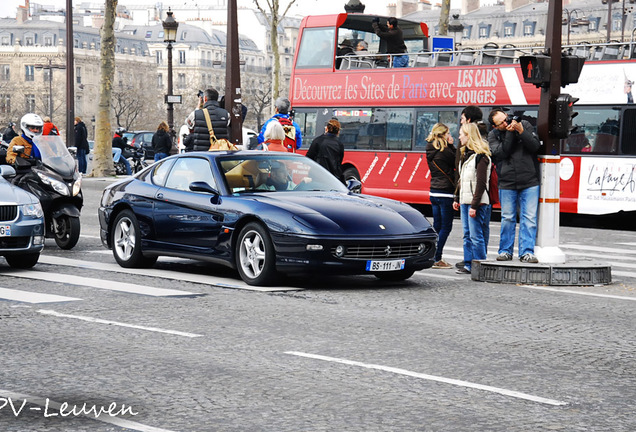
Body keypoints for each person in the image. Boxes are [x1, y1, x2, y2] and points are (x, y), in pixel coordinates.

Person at [488, 108, 541, 264]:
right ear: (495, 126)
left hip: (529, 179)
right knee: (508, 218)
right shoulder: (493, 135)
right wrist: (511, 133)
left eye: (506, 118)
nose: (507, 122)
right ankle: (505, 251)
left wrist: (521, 131)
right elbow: (502, 153)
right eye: (502, 122)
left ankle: (527, 252)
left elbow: (535, 146)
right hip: (507, 181)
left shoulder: (523, 124)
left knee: (529, 218)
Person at [453, 122, 493, 275]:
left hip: (476, 202)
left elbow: (481, 183)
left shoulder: (481, 157)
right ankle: (469, 264)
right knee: (467, 235)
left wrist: (474, 206)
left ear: (469, 136)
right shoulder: (465, 155)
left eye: (461, 134)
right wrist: (457, 197)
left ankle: (481, 265)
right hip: (465, 201)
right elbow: (461, 180)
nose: (459, 137)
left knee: (476, 236)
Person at [425, 123, 456, 269]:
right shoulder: (445, 151)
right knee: (446, 227)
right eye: (448, 134)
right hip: (445, 192)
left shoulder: (430, 149)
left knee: (437, 225)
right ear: (443, 135)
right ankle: (437, 258)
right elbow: (457, 160)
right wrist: (451, 146)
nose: (450, 136)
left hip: (433, 191)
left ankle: (430, 256)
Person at [185, 88, 230, 152]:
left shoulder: (196, 114)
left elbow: (189, 124)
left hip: (202, 153)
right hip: (220, 152)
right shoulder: (226, 114)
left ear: (205, 99)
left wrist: (198, 106)